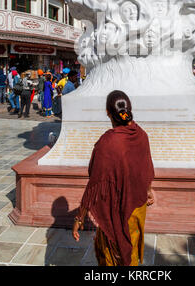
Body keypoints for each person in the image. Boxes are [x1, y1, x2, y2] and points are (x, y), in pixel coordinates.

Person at [72, 90, 155, 266]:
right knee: (131, 248)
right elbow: (146, 168)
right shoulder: (141, 134)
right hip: (137, 206)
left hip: (115, 210)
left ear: (108, 112)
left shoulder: (107, 142)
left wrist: (80, 217)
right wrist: (148, 191)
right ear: (128, 109)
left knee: (113, 254)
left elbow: (94, 183)